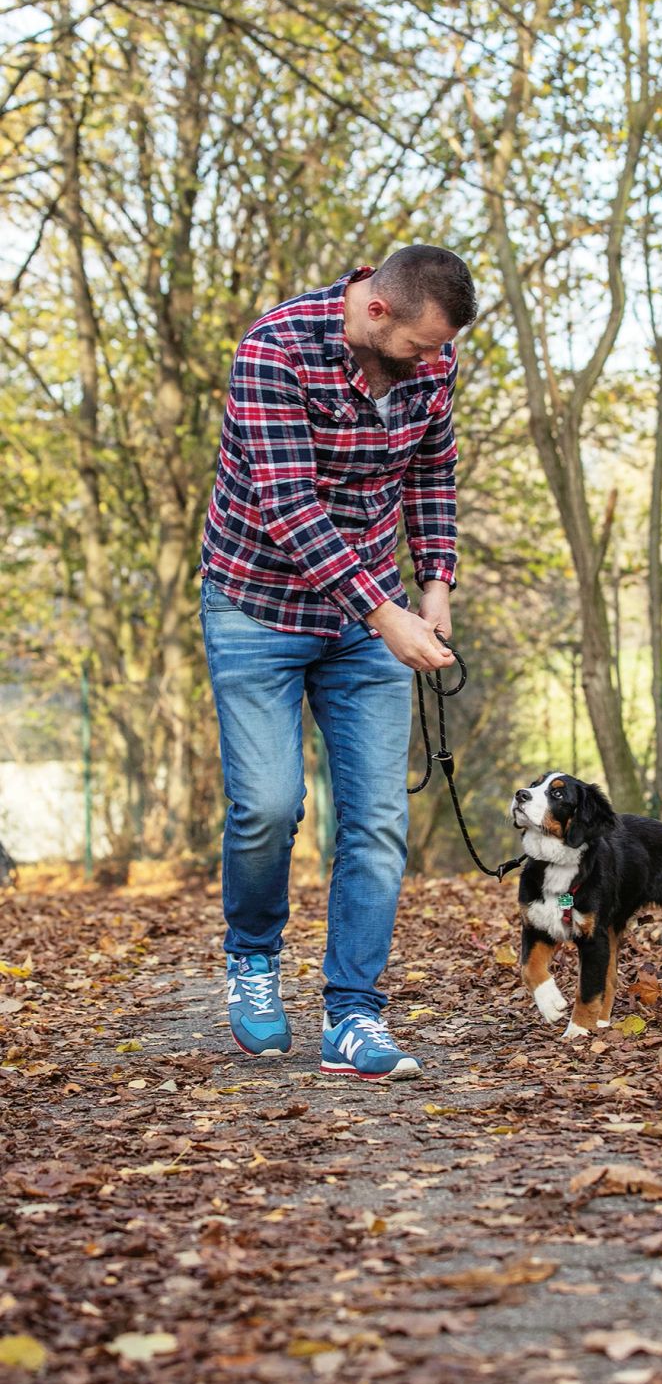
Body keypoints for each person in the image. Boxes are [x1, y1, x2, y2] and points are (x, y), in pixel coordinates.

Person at [197, 245, 476, 1081]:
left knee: (379, 822)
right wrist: (383, 610)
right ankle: (252, 958)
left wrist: (434, 579)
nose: (435, 363)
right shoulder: (275, 349)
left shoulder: (432, 363)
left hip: (368, 620)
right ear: (376, 311)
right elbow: (288, 504)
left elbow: (432, 469)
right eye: (423, 347)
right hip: (256, 604)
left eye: (442, 350)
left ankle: (353, 1013)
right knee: (270, 805)